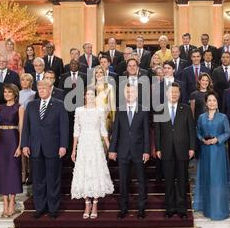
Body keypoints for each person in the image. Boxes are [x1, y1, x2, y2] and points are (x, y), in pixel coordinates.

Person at [21, 80, 69, 219]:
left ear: (50, 89)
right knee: (38, 180)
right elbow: (26, 128)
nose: (41, 90)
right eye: (39, 88)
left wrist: (63, 146)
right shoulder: (31, 105)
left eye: (44, 88)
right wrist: (25, 144)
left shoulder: (59, 105)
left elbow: (64, 127)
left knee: (53, 179)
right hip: (35, 148)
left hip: (53, 147)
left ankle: (53, 209)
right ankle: (40, 208)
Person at [194, 91, 230, 220]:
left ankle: (219, 210)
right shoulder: (201, 117)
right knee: (207, 179)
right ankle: (208, 209)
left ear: (217, 102)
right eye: (209, 100)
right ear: (206, 103)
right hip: (205, 151)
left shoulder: (223, 117)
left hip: (218, 151)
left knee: (218, 180)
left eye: (214, 100)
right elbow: (198, 131)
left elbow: (227, 132)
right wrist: (202, 139)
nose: (212, 102)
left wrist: (217, 139)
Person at [71, 87, 114, 219]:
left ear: (94, 96)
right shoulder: (79, 110)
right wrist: (74, 149)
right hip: (83, 144)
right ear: (84, 96)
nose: (89, 96)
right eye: (87, 94)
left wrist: (109, 146)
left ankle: (95, 204)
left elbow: (103, 129)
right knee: (84, 172)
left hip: (96, 144)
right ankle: (86, 203)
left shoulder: (100, 111)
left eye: (91, 94)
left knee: (95, 171)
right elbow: (76, 131)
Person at [109, 83, 150, 219]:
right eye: (127, 92)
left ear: (136, 94)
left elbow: (146, 133)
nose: (129, 94)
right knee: (123, 181)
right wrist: (112, 149)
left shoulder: (143, 110)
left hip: (139, 151)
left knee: (141, 180)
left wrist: (146, 150)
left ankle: (141, 208)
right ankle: (123, 208)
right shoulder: (119, 110)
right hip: (122, 151)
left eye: (132, 92)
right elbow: (115, 132)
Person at [155, 83, 195, 219]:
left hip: (183, 149)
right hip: (166, 150)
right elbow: (158, 131)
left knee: (182, 180)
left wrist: (192, 147)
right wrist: (158, 148)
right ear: (166, 94)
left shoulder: (186, 109)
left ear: (179, 93)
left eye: (176, 92)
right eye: (171, 92)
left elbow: (191, 129)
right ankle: (170, 208)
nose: (174, 94)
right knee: (169, 180)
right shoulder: (159, 109)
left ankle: (182, 208)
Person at [0, 84, 24, 217]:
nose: (7, 94)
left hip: (13, 139)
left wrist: (19, 146)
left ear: (15, 94)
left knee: (13, 171)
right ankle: (5, 203)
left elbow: (21, 128)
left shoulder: (20, 108)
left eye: (9, 92)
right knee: (2, 171)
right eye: (5, 92)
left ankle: (12, 202)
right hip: (0, 141)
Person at [18, 74, 36, 184]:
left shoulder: (34, 94)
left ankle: (31, 173)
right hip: (19, 123)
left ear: (31, 82)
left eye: (27, 80)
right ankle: (23, 173)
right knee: (21, 147)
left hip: (30, 123)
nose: (25, 82)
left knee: (30, 147)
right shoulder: (17, 94)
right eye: (23, 80)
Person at [91, 66, 116, 133]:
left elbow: (112, 106)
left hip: (105, 120)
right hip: (92, 120)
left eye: (101, 72)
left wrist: (113, 121)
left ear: (104, 74)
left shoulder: (109, 87)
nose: (98, 74)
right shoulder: (91, 88)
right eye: (96, 72)